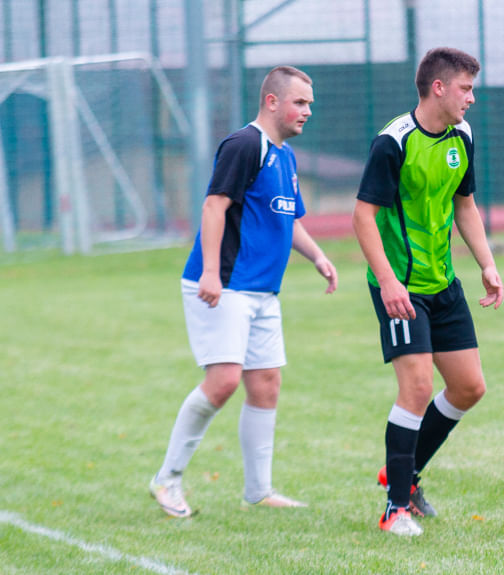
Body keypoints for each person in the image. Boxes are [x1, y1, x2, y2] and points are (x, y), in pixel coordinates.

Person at [149, 65, 338, 518]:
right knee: (224, 382)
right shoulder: (244, 144)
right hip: (225, 283)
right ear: (272, 101)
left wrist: (318, 257)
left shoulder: (286, 156)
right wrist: (211, 272)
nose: (307, 111)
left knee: (266, 384)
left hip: (262, 292)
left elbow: (287, 219)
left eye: (309, 103)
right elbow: (215, 205)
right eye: (299, 102)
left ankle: (259, 490)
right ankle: (166, 480)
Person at [352, 47, 504, 537]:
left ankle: (401, 471)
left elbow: (466, 205)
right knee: (416, 388)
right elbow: (363, 216)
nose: (472, 99)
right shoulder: (392, 143)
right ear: (438, 88)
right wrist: (390, 282)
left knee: (469, 387)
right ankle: (395, 507)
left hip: (443, 282)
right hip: (399, 288)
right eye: (465, 88)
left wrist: (487, 264)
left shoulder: (463, 136)